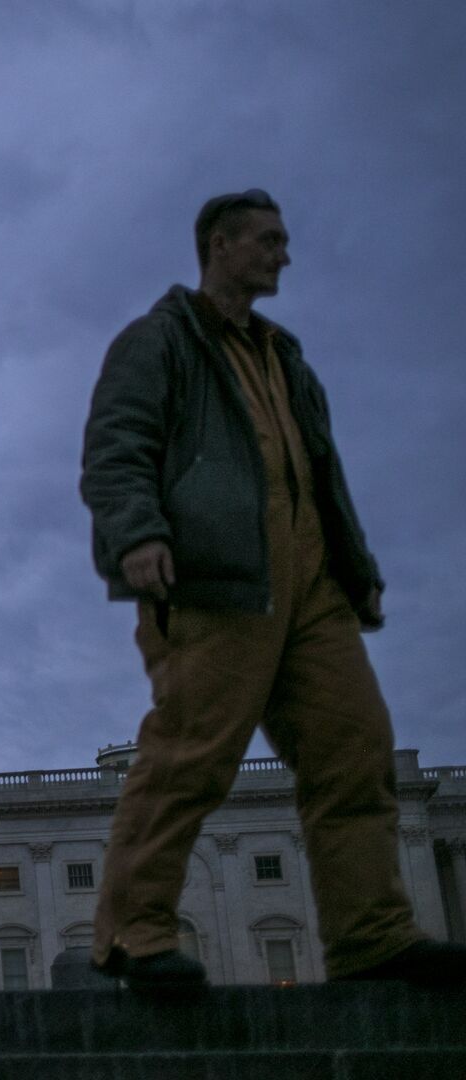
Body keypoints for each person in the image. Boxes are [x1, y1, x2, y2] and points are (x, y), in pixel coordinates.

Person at [80, 189, 464, 988]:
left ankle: (372, 935)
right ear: (220, 245)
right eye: (268, 239)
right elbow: (117, 446)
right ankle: (135, 933)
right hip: (216, 576)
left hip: (310, 583)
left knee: (357, 747)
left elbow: (314, 473)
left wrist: (353, 573)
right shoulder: (158, 343)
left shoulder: (284, 357)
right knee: (191, 754)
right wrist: (140, 533)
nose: (284, 253)